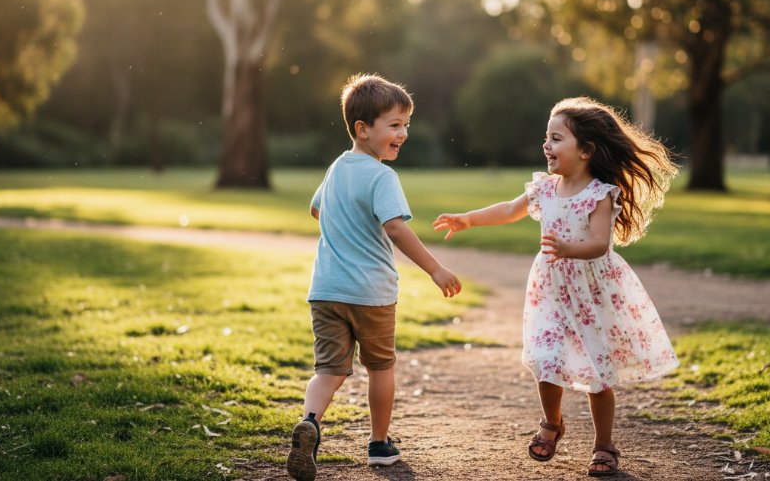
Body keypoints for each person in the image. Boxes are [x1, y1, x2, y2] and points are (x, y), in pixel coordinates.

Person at [433, 96, 679, 477]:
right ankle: (552, 422)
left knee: (598, 374)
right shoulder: (546, 188)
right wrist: (467, 219)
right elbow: (509, 210)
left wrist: (569, 248)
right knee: (546, 358)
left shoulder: (600, 194)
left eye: (556, 138)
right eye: (546, 137)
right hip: (550, 289)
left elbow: (599, 243)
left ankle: (604, 445)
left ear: (586, 150)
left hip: (592, 292)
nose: (546, 145)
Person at [286, 74, 463, 481]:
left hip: (326, 290)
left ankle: (310, 422)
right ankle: (380, 444)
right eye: (394, 125)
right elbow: (396, 227)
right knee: (381, 367)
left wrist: (345, 225)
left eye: (406, 125)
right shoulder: (382, 177)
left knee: (328, 370)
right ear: (363, 129)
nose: (402, 133)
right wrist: (435, 268)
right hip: (372, 293)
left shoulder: (336, 168)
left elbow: (317, 211)